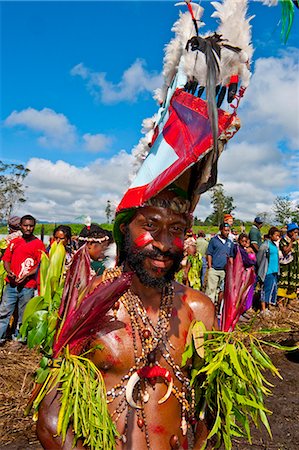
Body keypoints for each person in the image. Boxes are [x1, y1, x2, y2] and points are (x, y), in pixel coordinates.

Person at [0, 215, 45, 344]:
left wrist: (27, 275)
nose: (28, 228)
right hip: (11, 285)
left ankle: (19, 339)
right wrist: (9, 272)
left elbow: (41, 265)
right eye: (26, 225)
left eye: (31, 226)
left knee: (23, 314)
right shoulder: (14, 242)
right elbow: (6, 260)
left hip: (28, 286)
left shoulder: (38, 245)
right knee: (4, 311)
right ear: (21, 226)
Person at [205, 223, 234, 306]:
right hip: (214, 269)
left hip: (224, 270)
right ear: (221, 230)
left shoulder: (230, 243)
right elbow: (209, 253)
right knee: (211, 290)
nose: (227, 232)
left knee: (222, 291)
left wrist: (230, 268)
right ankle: (209, 307)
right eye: (225, 230)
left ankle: (218, 309)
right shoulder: (214, 240)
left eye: (228, 230)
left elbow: (231, 256)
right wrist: (210, 266)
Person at [256, 227, 281, 314]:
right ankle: (262, 309)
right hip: (267, 271)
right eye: (276, 235)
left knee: (271, 289)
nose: (278, 237)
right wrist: (262, 270)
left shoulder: (274, 245)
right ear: (271, 235)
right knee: (265, 289)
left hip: (274, 271)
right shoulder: (265, 246)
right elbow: (259, 259)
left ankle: (267, 307)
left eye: (279, 235)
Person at [277, 222, 299, 307]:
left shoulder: (296, 242)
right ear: (289, 232)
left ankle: (289, 302)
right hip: (286, 266)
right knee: (283, 283)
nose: (296, 234)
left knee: (292, 283)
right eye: (295, 232)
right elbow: (285, 251)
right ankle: (280, 303)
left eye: (297, 232)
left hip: (294, 266)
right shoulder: (284, 240)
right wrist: (292, 241)